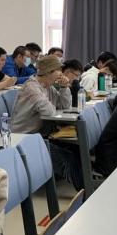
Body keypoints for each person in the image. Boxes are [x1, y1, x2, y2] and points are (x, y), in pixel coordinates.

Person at [10, 56, 84, 191]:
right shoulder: (32, 88)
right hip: (24, 137)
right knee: (66, 157)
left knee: (75, 148)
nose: (61, 74)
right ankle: (85, 190)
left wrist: (64, 87)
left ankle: (84, 184)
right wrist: (53, 103)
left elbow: (64, 105)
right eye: (58, 70)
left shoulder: (48, 86)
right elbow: (49, 112)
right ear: (49, 71)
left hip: (40, 135)